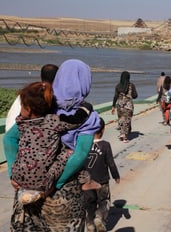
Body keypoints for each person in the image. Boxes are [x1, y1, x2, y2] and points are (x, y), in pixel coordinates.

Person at [4, 59, 101, 231]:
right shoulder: (88, 117)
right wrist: (53, 184)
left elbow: (9, 139)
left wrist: (13, 173)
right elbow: (79, 155)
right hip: (62, 196)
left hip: (28, 191)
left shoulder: (44, 106)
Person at [12, 81, 93, 205]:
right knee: (68, 151)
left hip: (18, 178)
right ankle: (84, 179)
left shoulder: (21, 123)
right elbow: (77, 120)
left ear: (28, 109)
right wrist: (86, 107)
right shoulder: (53, 122)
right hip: (43, 183)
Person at [83, 117, 120, 232]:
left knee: (89, 203)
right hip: (102, 180)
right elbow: (111, 163)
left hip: (87, 181)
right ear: (103, 129)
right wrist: (116, 176)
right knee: (104, 201)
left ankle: (90, 224)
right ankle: (99, 217)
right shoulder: (105, 145)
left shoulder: (83, 144)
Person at [5, 64, 59, 132]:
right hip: (21, 135)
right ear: (58, 78)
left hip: (10, 130)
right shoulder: (47, 95)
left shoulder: (29, 91)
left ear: (40, 76)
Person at [112, 71, 138, 143]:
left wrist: (113, 106)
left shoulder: (118, 86)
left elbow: (115, 96)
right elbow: (135, 95)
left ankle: (123, 132)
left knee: (121, 119)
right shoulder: (131, 85)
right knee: (127, 120)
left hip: (119, 106)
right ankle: (124, 136)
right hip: (128, 106)